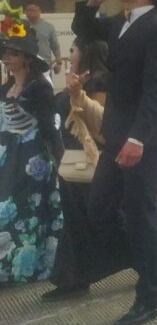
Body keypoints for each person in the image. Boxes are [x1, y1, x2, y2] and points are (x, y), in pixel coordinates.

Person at [72, 0, 157, 325]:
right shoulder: (124, 20)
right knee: (100, 206)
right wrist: (92, 2)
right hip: (118, 130)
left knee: (138, 212)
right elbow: (86, 32)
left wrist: (138, 139)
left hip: (145, 136)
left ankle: (152, 295)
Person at [43, 37, 122, 299]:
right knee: (77, 221)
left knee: (98, 218)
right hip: (71, 159)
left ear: (86, 52)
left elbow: (98, 123)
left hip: (88, 161)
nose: (70, 54)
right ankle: (73, 277)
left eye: (73, 49)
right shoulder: (78, 78)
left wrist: (76, 96)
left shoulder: (99, 81)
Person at [0, 21, 63, 286]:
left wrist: (59, 159)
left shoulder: (40, 87)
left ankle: (27, 264)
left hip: (33, 156)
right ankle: (9, 263)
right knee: (8, 206)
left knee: (27, 207)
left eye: (13, 52)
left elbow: (49, 126)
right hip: (8, 153)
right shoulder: (4, 88)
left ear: (27, 58)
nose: (7, 57)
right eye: (5, 52)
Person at [25, 3, 62, 75]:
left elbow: (55, 46)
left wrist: (59, 63)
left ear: (39, 11)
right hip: (26, 66)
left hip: (45, 66)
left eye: (33, 10)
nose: (30, 12)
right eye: (28, 10)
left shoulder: (49, 27)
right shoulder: (20, 26)